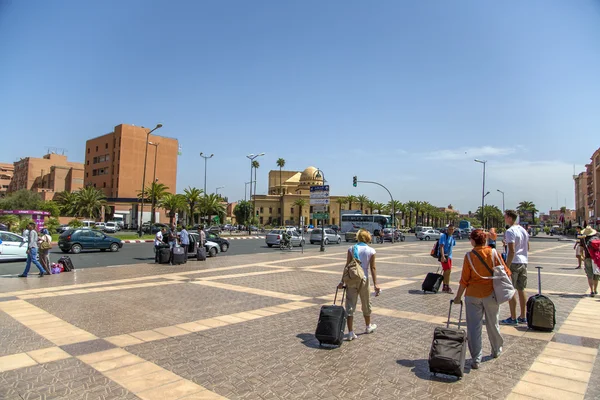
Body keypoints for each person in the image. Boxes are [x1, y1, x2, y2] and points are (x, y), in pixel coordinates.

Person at [453, 229, 510, 369]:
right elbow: (506, 271)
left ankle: (476, 358)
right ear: (485, 240)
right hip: (491, 294)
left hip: (472, 295)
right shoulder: (493, 253)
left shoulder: (469, 256)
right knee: (493, 323)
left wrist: (458, 297)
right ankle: (496, 350)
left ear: (473, 240)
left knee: (474, 327)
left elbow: (464, 280)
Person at [338, 229, 380, 341]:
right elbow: (373, 268)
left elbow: (347, 266)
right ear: (367, 238)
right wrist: (376, 284)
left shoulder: (351, 249)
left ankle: (351, 332)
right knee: (366, 303)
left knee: (350, 305)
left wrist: (342, 281)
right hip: (364, 279)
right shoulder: (371, 251)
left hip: (351, 279)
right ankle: (368, 326)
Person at [500, 210, 530, 326]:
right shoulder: (523, 230)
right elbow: (527, 246)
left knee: (511, 289)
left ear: (509, 218)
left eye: (505, 217)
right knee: (521, 289)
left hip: (514, 262)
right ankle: (523, 316)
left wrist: (506, 266)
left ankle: (513, 317)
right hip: (523, 261)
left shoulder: (510, 231)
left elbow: (511, 251)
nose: (504, 219)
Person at [580, 226, 599, 296]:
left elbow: (581, 250)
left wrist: (582, 257)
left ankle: (591, 291)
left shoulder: (583, 239)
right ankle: (595, 290)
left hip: (587, 258)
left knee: (589, 275)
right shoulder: (597, 238)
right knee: (596, 274)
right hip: (596, 259)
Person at [439, 224, 457, 294]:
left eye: (452, 229)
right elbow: (441, 246)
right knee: (447, 270)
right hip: (445, 256)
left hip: (449, 256)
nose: (451, 231)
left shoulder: (452, 237)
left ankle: (445, 286)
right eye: (450, 229)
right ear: (447, 229)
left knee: (448, 271)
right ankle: (446, 286)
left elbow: (453, 245)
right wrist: (442, 256)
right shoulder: (444, 236)